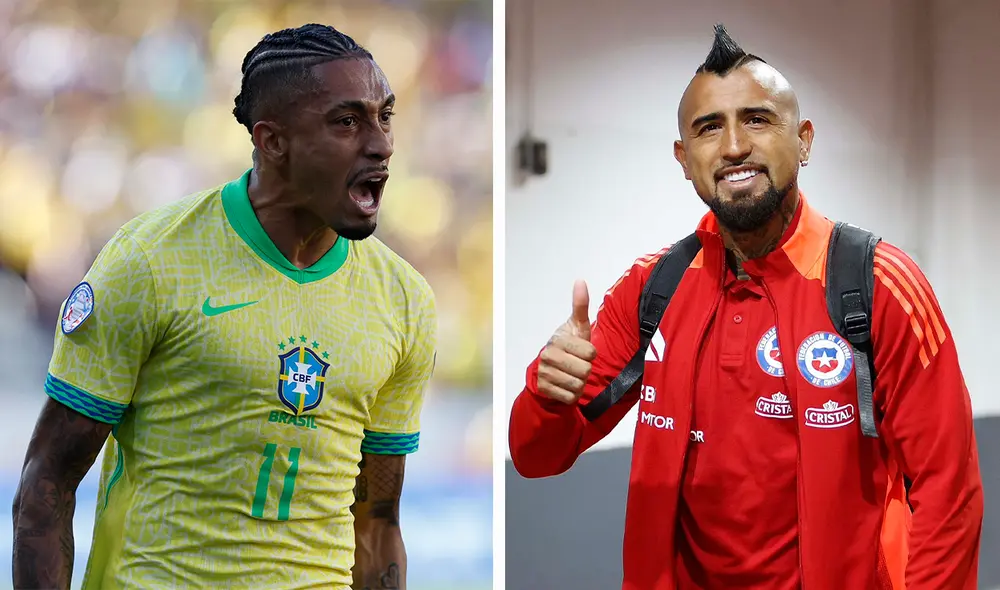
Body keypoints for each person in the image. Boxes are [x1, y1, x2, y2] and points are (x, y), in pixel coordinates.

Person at [508, 24, 983, 590]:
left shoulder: (878, 284)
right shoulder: (651, 288)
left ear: (804, 139)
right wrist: (547, 392)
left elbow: (948, 496)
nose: (734, 146)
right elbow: (536, 455)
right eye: (709, 128)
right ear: (684, 159)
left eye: (757, 119)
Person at [11, 23, 437, 590]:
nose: (380, 143)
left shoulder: (404, 299)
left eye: (384, 117)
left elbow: (377, 524)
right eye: (347, 121)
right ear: (272, 141)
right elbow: (46, 488)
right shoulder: (151, 262)